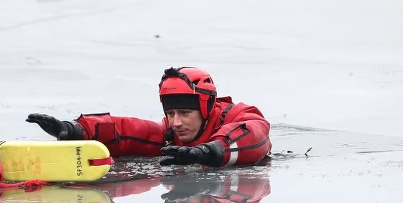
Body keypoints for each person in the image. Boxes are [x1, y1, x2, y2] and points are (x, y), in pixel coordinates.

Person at [25, 66, 272, 166]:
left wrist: (208, 152)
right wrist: (74, 130)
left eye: (185, 113)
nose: (176, 122)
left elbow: (255, 133)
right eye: (170, 113)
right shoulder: (170, 133)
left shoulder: (239, 116)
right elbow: (130, 132)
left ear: (206, 108)